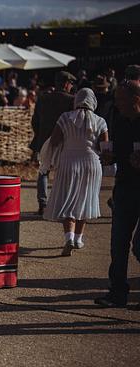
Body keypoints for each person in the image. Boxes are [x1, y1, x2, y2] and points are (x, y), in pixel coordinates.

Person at [43, 88, 108, 256]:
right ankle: (78, 239)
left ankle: (69, 238)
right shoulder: (100, 121)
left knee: (68, 199)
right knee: (84, 199)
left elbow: (54, 141)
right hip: (92, 164)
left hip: (69, 162)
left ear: (76, 100)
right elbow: (105, 148)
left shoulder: (65, 118)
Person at [95, 80, 140, 308]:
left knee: (139, 246)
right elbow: (119, 151)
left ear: (135, 100)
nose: (117, 104)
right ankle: (117, 293)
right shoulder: (120, 121)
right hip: (125, 187)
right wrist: (110, 157)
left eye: (121, 99)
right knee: (118, 243)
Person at [30, 71, 76, 216]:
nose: (71, 87)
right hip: (64, 141)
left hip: (44, 140)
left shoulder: (43, 98)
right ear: (67, 84)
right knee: (64, 173)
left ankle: (43, 204)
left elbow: (35, 121)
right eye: (71, 84)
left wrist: (40, 135)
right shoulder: (71, 100)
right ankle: (61, 205)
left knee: (43, 171)